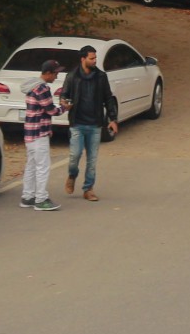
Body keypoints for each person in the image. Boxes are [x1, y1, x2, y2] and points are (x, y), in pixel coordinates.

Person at [61, 45, 118, 201]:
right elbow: (64, 95)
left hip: (95, 124)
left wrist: (113, 119)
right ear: (83, 59)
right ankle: (72, 175)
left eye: (95, 58)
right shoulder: (72, 76)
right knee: (75, 156)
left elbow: (108, 98)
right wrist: (65, 103)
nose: (95, 61)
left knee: (92, 160)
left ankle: (88, 189)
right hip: (77, 124)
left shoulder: (101, 76)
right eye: (91, 58)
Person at [19, 57, 62, 211]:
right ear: (48, 73)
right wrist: (64, 108)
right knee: (43, 166)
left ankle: (27, 196)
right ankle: (41, 199)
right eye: (55, 73)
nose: (56, 76)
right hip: (39, 133)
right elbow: (51, 110)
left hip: (29, 133)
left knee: (31, 165)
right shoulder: (42, 88)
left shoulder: (32, 86)